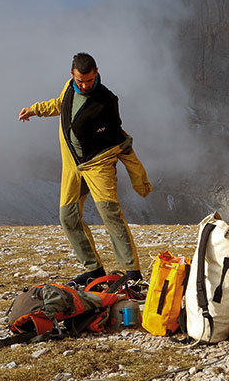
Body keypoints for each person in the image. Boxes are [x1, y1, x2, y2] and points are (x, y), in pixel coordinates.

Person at [19, 52, 151, 286]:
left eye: (90, 80)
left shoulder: (107, 101)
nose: (86, 85)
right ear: (72, 75)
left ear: (96, 73)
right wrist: (35, 109)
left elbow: (117, 136)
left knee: (110, 214)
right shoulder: (69, 87)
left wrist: (134, 169)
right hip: (72, 164)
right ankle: (95, 270)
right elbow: (60, 105)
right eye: (81, 81)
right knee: (67, 217)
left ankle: (132, 274)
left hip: (98, 163)